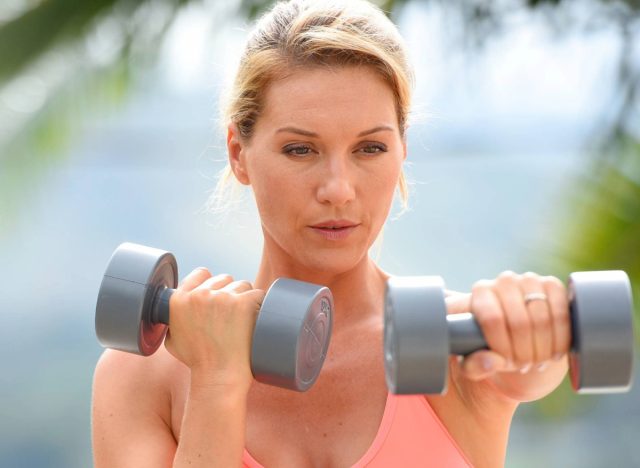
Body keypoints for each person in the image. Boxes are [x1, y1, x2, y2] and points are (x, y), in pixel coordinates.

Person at [92, 0, 571, 466]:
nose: (338, 190)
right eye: (301, 150)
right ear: (239, 153)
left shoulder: (460, 344)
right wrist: (217, 379)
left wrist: (534, 328)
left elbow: (532, 369)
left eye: (370, 148)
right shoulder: (144, 377)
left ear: (402, 149)